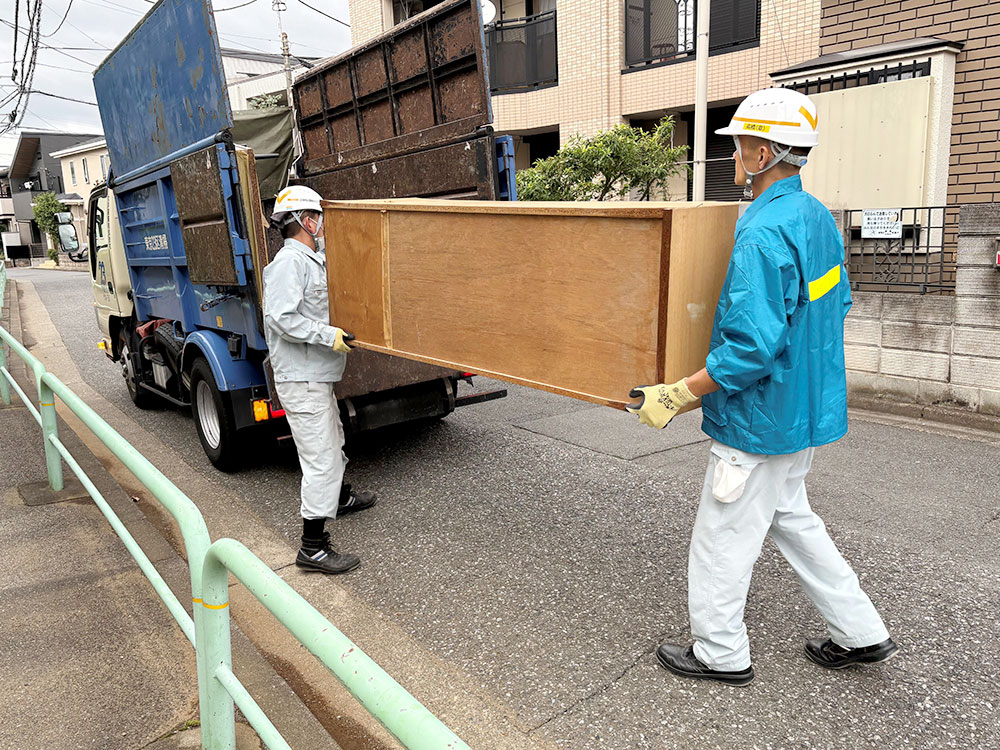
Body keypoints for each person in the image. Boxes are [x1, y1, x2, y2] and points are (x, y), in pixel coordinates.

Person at [627, 88, 897, 686]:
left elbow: (749, 348)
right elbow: (834, 305)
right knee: (791, 518)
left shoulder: (759, 232)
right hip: (802, 411)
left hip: (758, 419)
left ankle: (719, 653)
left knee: (722, 535)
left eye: (742, 143)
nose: (735, 154)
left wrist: (677, 394)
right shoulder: (815, 217)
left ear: (766, 150)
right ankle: (861, 632)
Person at [262, 185, 377, 575]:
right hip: (301, 379)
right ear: (306, 221)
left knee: (335, 441)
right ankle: (312, 547)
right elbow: (282, 317)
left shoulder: (310, 259)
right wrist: (328, 335)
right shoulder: (287, 264)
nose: (323, 224)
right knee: (321, 459)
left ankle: (339, 499)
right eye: (319, 217)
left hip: (315, 376)